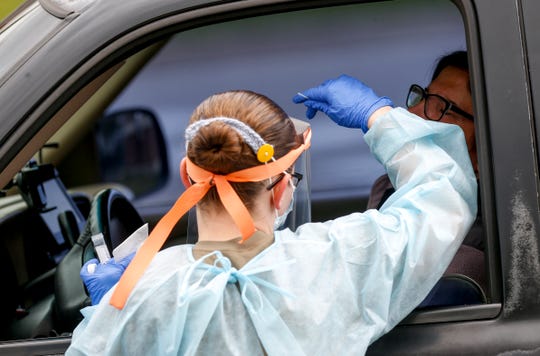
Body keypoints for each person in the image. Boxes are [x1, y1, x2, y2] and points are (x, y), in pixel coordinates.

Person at [67, 84, 476, 355]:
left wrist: (113, 313)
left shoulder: (140, 294)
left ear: (186, 176)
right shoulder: (338, 259)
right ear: (282, 190)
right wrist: (379, 116)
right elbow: (443, 192)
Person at [366, 51, 487, 297]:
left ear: (484, 136)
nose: (414, 111)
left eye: (442, 107)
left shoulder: (491, 225)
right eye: (423, 95)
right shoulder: (387, 187)